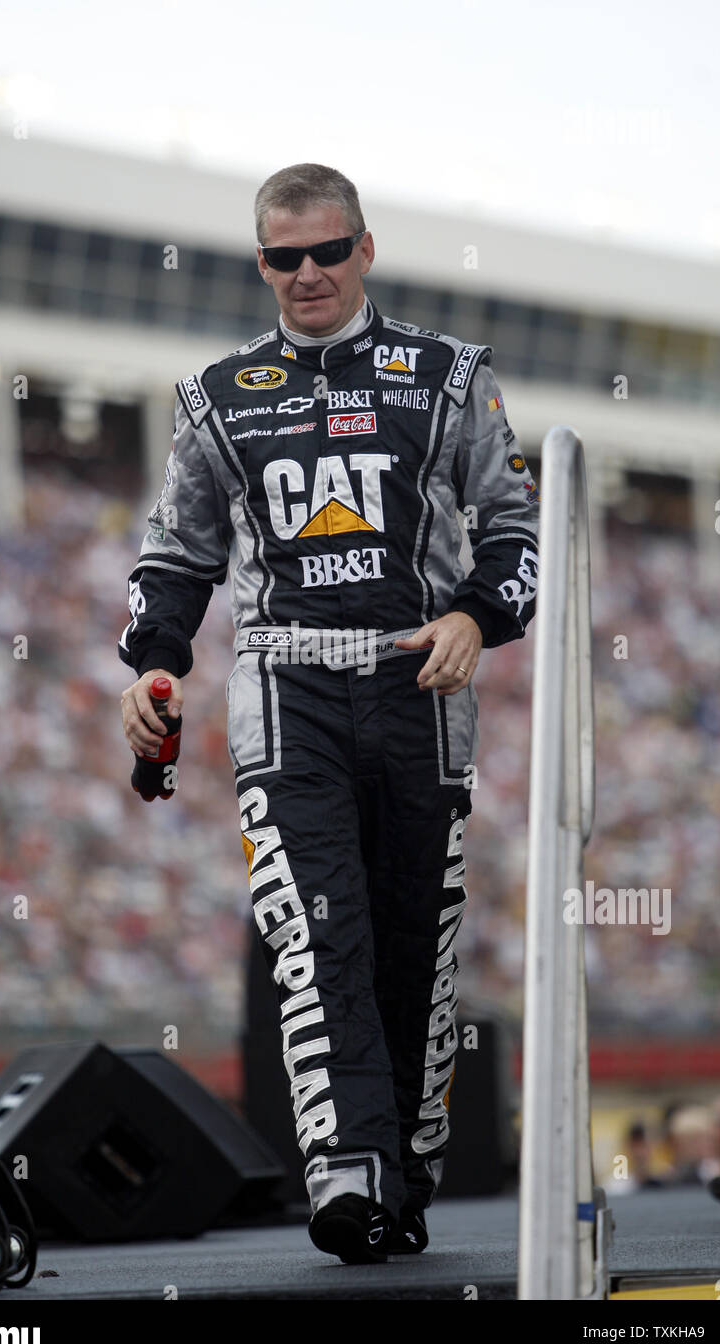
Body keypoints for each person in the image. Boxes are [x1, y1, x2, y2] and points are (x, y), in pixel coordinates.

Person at [118, 163, 539, 1263]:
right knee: (317, 932)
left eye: (323, 251)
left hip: (420, 687)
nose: (304, 274)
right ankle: (344, 1171)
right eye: (280, 256)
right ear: (259, 262)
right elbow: (175, 554)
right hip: (282, 684)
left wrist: (474, 620)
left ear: (363, 249)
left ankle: (403, 1172)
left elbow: (514, 529)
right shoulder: (216, 395)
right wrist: (154, 666)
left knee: (413, 944)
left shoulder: (447, 375)